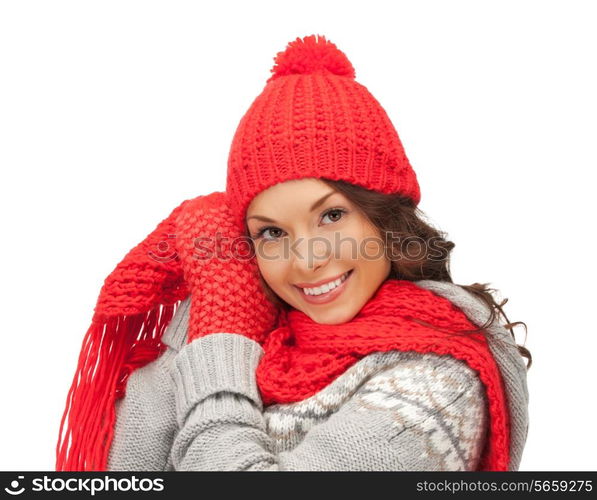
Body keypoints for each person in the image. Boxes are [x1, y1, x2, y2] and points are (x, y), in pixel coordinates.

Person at [55, 34, 531, 471]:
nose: (305, 260)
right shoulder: (254, 331)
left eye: (331, 216)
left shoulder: (437, 379)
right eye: (271, 234)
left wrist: (220, 347)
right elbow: (123, 471)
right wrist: (213, 307)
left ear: (385, 215)